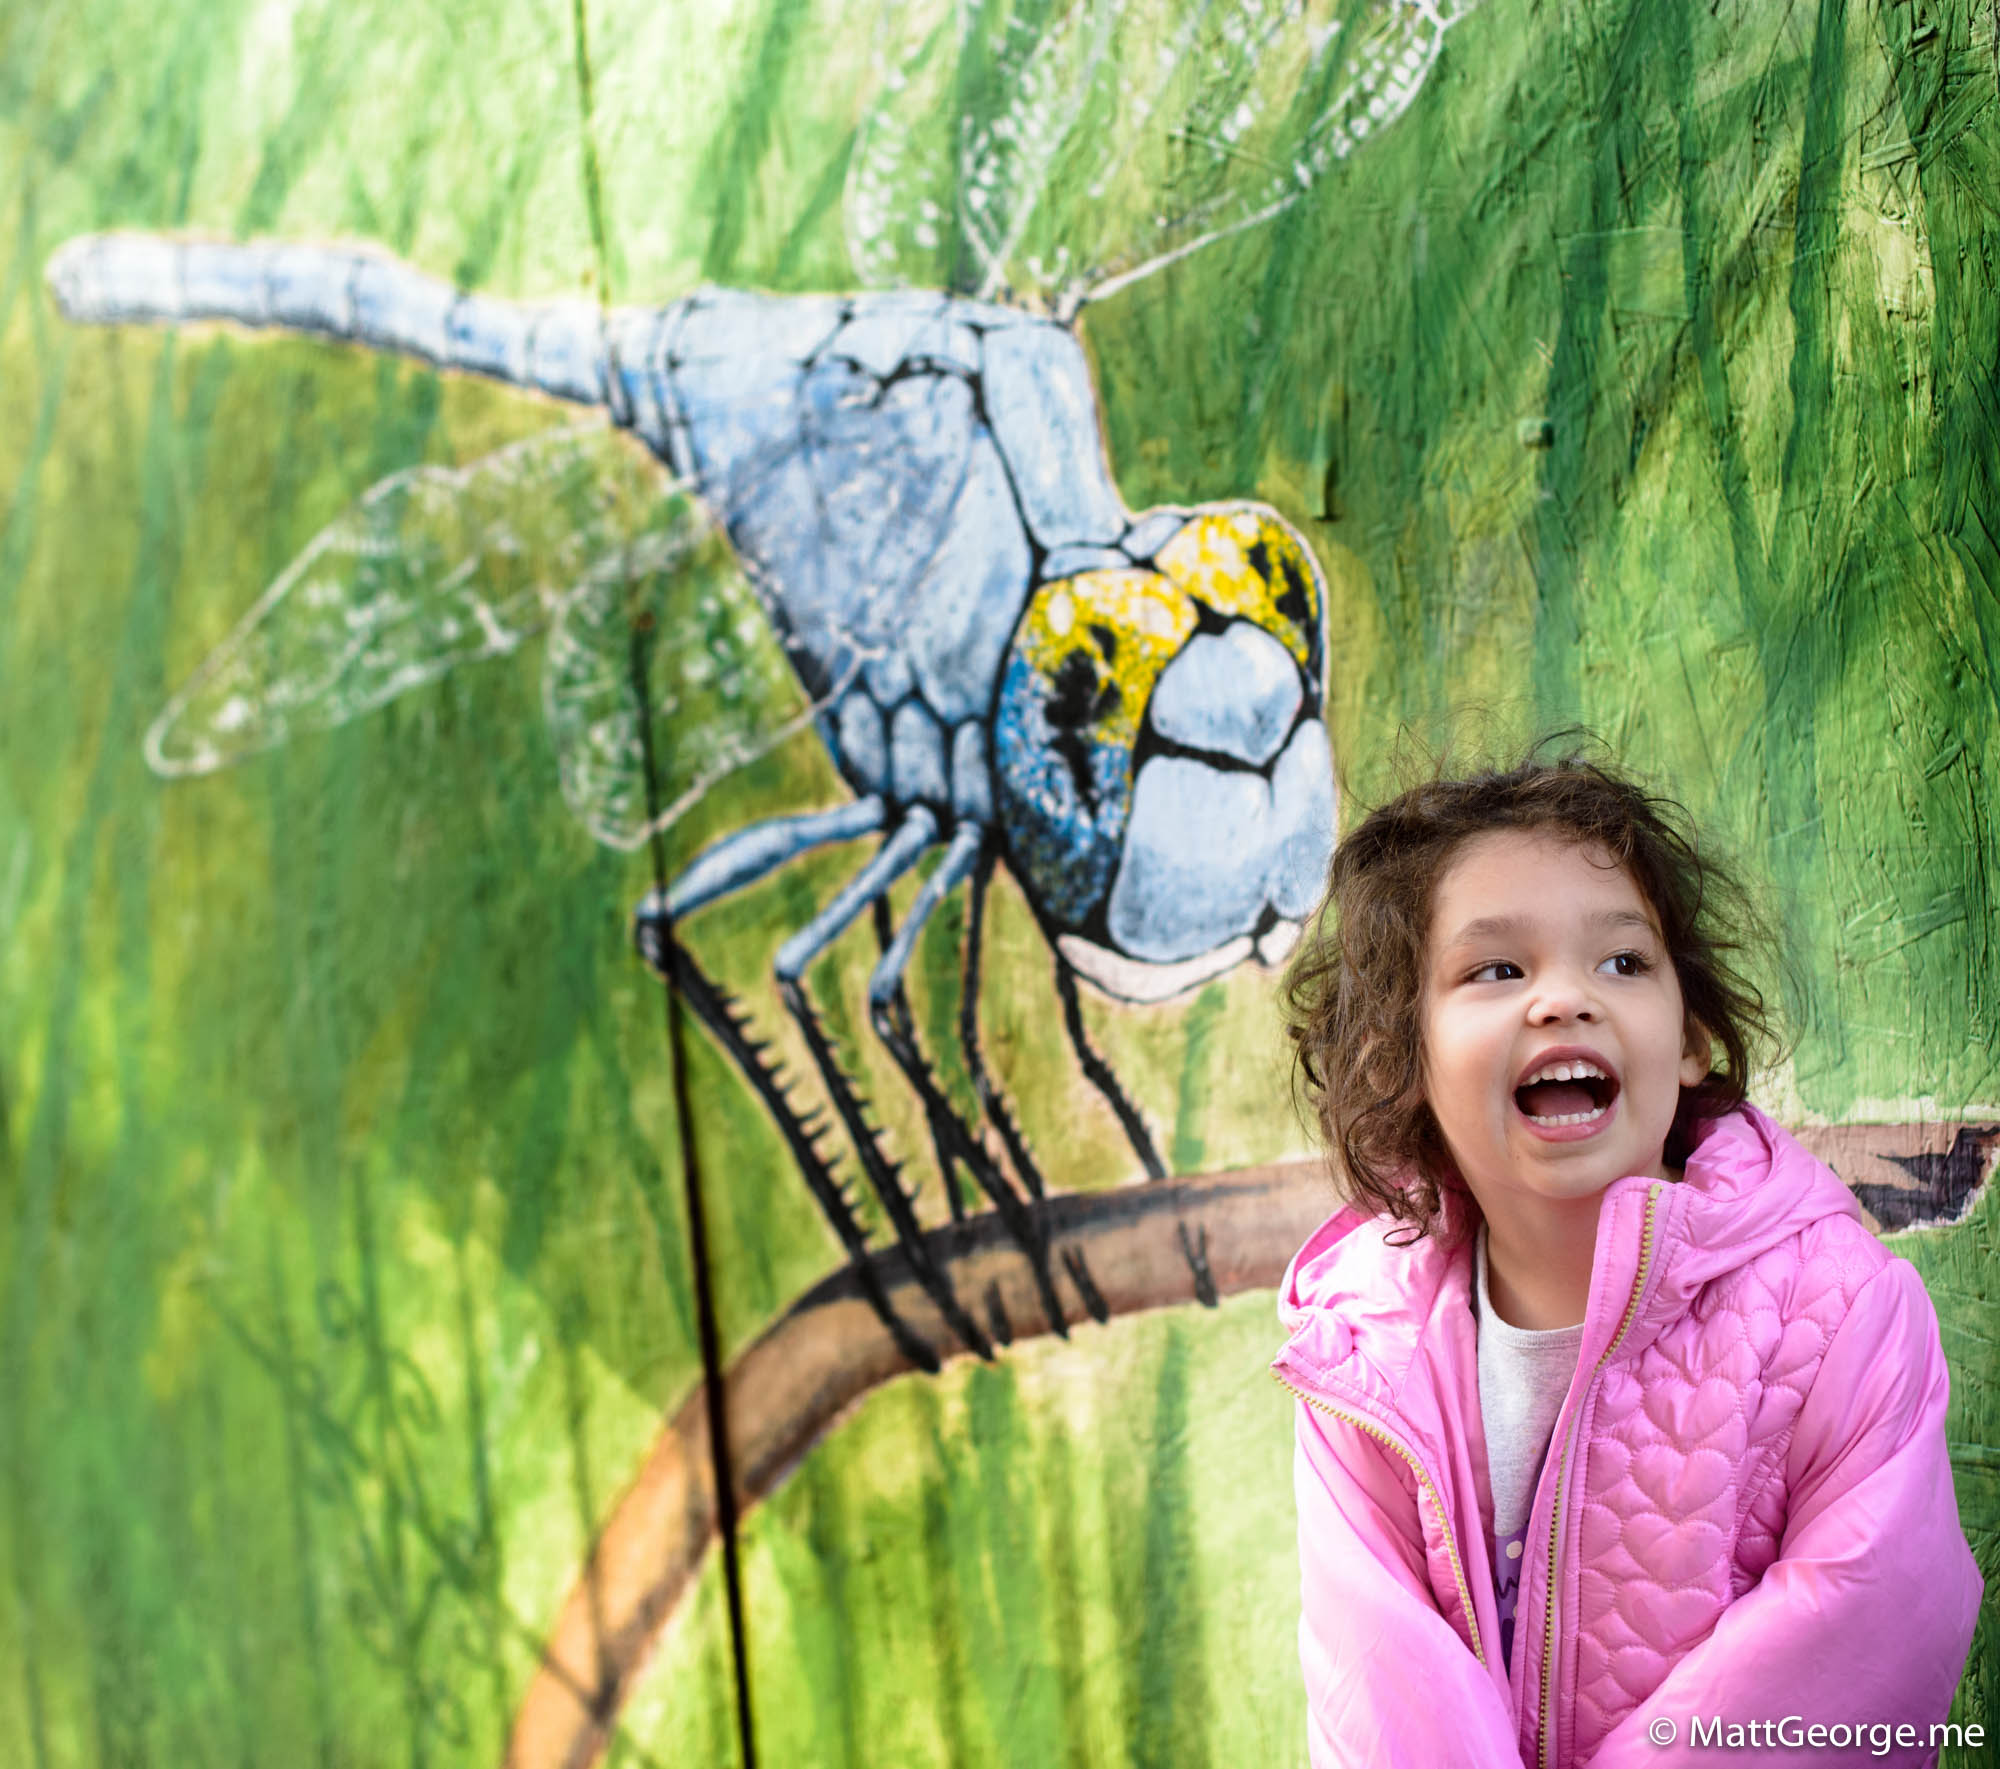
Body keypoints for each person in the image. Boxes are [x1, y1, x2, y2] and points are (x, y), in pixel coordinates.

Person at [1272, 744, 1983, 1768]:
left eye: (1620, 961)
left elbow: (1868, 1631)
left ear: (1688, 1036)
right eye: (1495, 968)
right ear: (1401, 1056)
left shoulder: (1839, 1313)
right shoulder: (1356, 1357)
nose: (1563, 997)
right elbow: (1378, 1689)